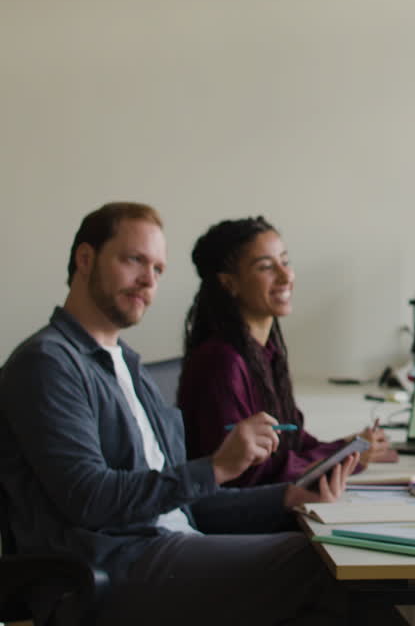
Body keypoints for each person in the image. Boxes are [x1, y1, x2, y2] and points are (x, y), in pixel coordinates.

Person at [0, 203, 380, 625]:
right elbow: (91, 499)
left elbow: (185, 502)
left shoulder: (129, 366)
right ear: (86, 259)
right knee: (326, 568)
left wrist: (287, 498)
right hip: (113, 569)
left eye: (158, 269)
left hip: (165, 548)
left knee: (340, 557)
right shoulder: (47, 363)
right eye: (134, 260)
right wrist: (215, 468)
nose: (148, 280)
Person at [179, 216, 395, 487]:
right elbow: (246, 474)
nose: (286, 276)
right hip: (242, 508)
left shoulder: (264, 352)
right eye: (266, 267)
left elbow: (292, 442)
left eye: (285, 261)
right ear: (229, 283)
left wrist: (346, 448)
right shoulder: (222, 362)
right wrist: (340, 458)